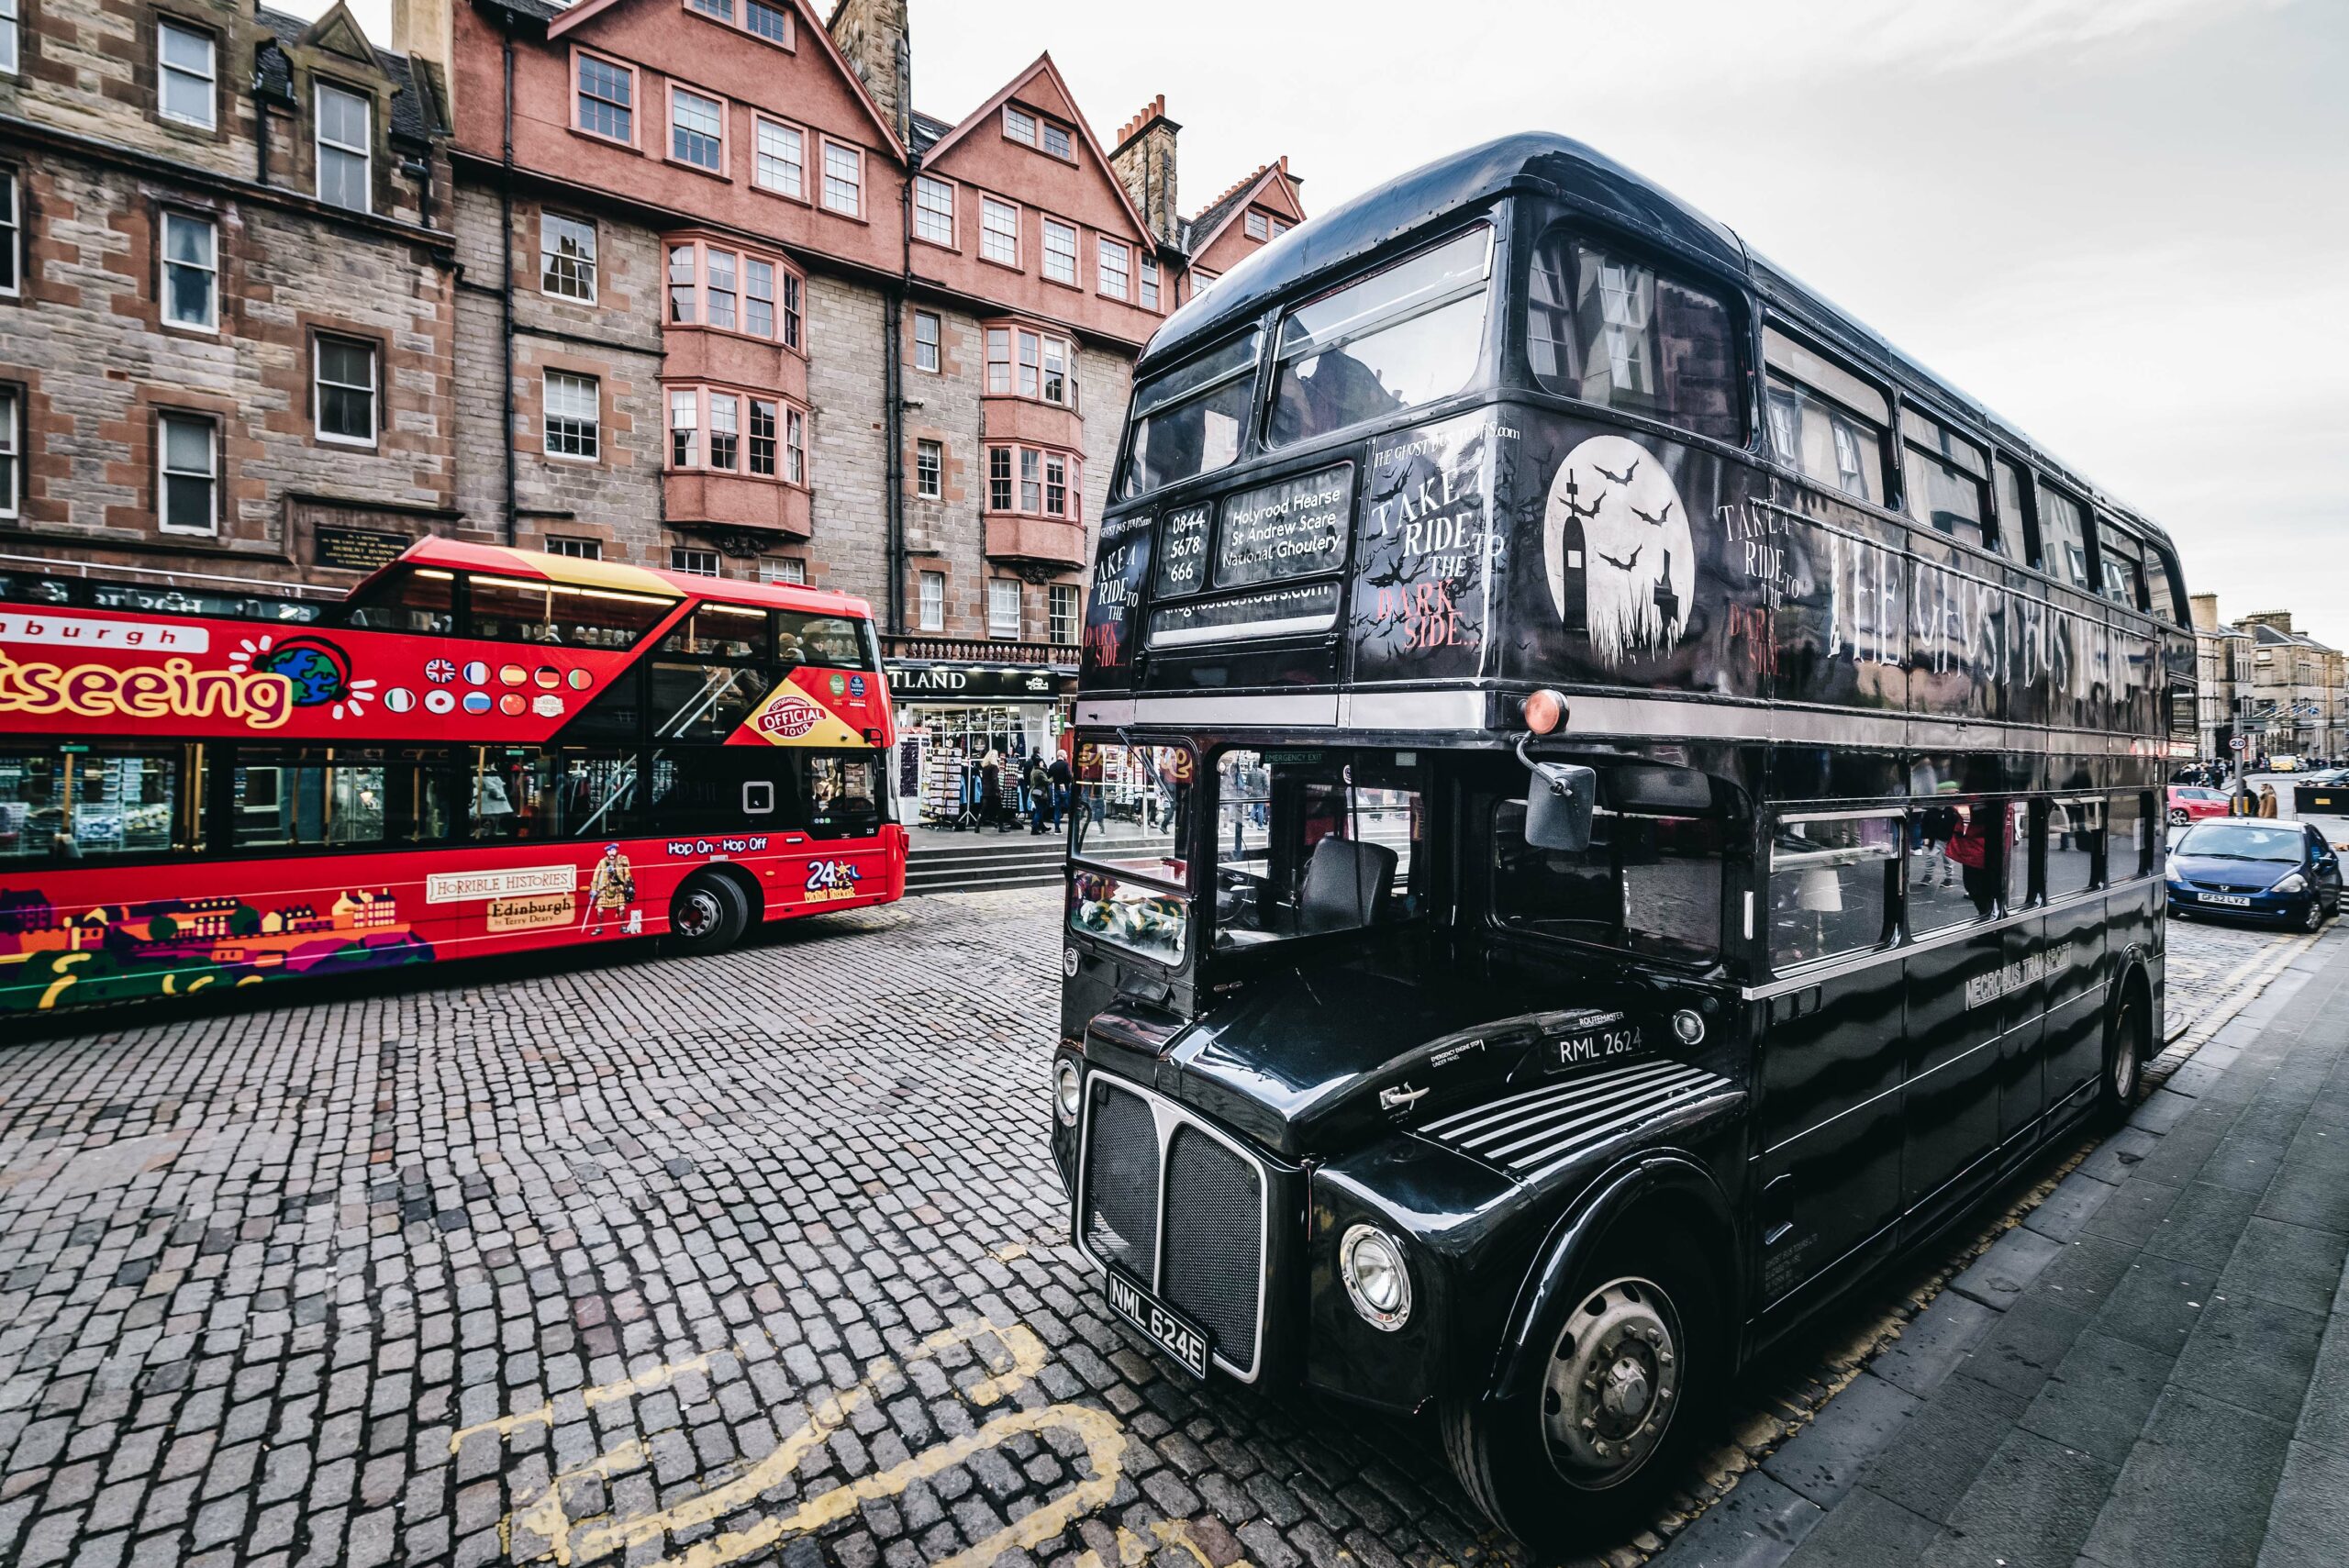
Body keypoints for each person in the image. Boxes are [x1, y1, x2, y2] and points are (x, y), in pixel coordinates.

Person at [1047, 751, 1074, 834]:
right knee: (1070, 808)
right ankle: (1072, 828)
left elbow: (1048, 776)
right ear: (1061, 755)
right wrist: (1068, 782)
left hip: (1057, 789)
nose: (1066, 755)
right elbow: (1069, 776)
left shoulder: (1052, 766)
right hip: (1065, 789)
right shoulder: (1065, 765)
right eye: (1065, 754)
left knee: (1057, 810)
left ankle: (1057, 829)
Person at [1028, 754, 1053, 834]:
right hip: (1040, 793)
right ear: (1039, 763)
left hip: (1035, 792)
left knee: (1040, 810)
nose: (1043, 764)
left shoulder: (1034, 770)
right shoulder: (1039, 772)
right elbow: (1047, 781)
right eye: (1041, 762)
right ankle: (1034, 827)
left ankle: (1042, 826)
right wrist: (1053, 778)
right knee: (1039, 811)